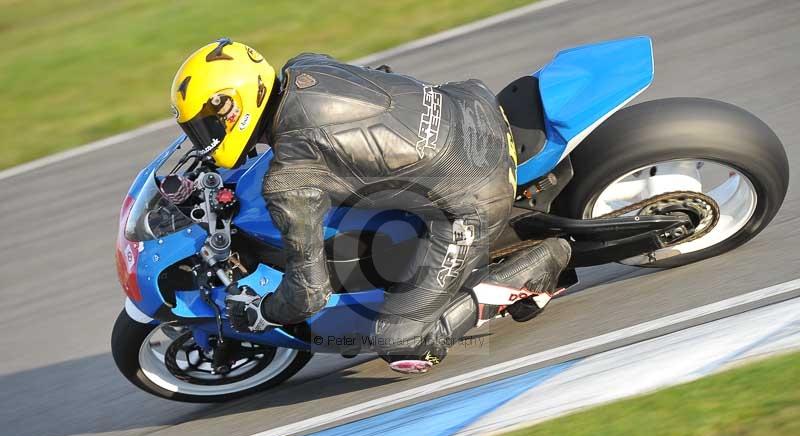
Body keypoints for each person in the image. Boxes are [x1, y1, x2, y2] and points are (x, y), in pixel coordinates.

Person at [170, 39, 570, 374]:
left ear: (233, 107)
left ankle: (540, 264)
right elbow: (382, 76)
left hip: (476, 193)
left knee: (401, 343)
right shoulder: (304, 68)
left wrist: (264, 311)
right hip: (469, 104)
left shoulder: (292, 175)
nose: (202, 139)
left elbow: (308, 295)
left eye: (205, 127)